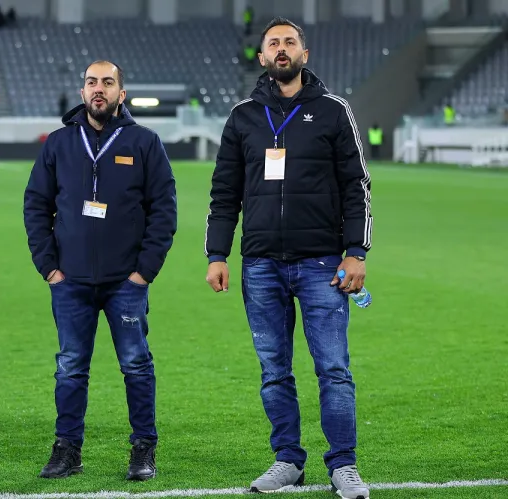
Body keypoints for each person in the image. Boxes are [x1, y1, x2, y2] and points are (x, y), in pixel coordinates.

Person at [204, 17, 372, 499]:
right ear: (261, 57)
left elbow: (356, 186)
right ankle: (288, 460)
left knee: (333, 370)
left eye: (290, 42)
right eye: (273, 43)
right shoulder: (243, 117)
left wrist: (356, 251)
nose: (282, 49)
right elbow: (224, 193)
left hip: (322, 264)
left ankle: (343, 465)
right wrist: (217, 254)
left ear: (304, 53)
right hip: (260, 265)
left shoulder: (334, 111)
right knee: (274, 371)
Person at [23, 60, 177, 481]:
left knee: (136, 365)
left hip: (126, 281)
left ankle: (143, 448)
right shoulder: (59, 143)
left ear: (120, 94)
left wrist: (144, 272)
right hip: (69, 281)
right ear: (82, 91)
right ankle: (67, 449)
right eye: (92, 82)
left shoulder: (144, 142)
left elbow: (164, 210)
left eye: (108, 83)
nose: (99, 89)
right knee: (70, 367)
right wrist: (49, 268)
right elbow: (35, 205)